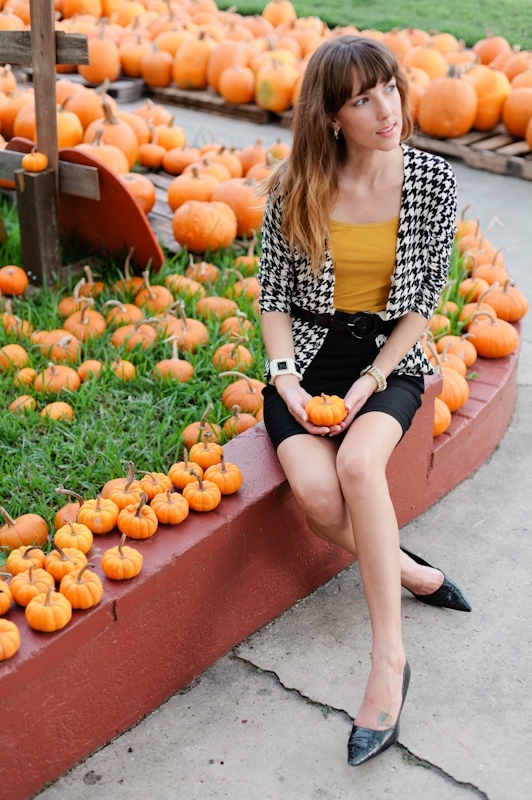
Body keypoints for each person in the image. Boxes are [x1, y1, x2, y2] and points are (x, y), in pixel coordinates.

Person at [257, 34, 472, 767]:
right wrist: (283, 375)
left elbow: (418, 307)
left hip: (388, 359)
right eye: (361, 99)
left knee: (356, 468)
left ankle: (387, 662)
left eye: (389, 88)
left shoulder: (430, 182)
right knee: (317, 501)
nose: (387, 110)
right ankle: (407, 570)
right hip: (309, 358)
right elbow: (273, 298)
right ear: (330, 117)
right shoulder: (293, 186)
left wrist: (368, 382)